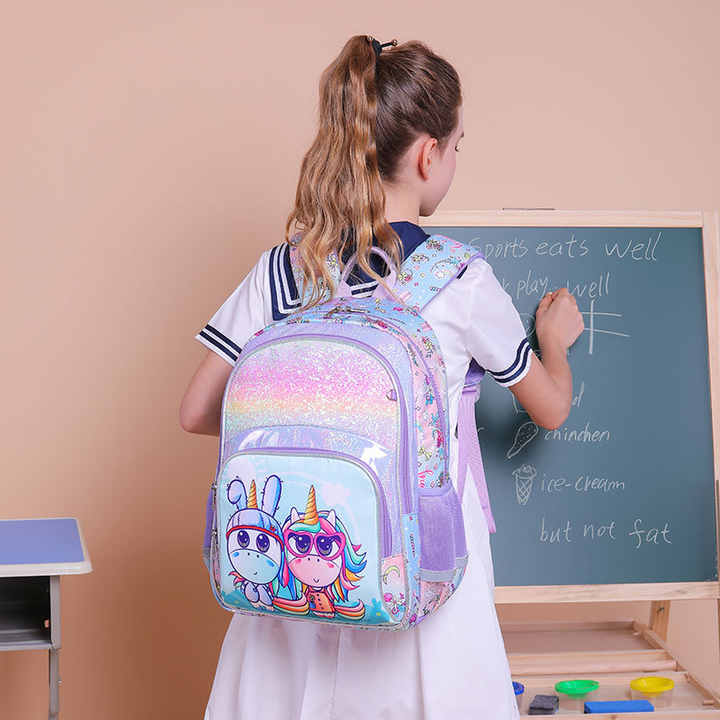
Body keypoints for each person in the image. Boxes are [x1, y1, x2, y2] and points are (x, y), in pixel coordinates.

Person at [180, 35, 583, 720]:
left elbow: (196, 412)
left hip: (290, 585)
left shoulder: (284, 270)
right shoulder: (459, 279)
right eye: (457, 147)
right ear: (429, 154)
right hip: (420, 589)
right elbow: (549, 408)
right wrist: (555, 344)